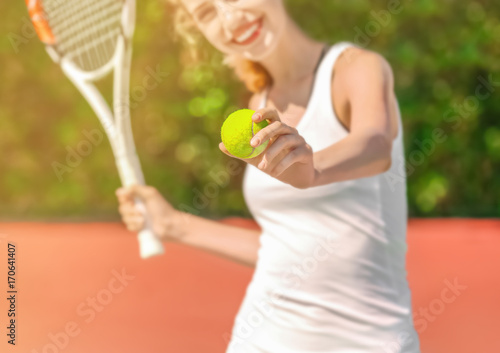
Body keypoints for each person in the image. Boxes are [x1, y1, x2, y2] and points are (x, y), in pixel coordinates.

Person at [116, 0, 421, 352]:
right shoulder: (256, 110)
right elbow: (286, 249)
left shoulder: (354, 68)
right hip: (262, 339)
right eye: (206, 12)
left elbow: (376, 143)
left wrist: (314, 168)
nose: (229, 19)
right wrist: (174, 225)